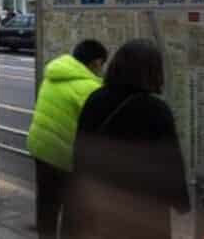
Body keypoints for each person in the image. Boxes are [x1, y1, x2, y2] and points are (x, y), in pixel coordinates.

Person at [65, 39, 190, 239]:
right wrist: (181, 201)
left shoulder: (96, 98)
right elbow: (170, 160)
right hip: (145, 203)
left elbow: (81, 148)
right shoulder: (156, 109)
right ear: (153, 71)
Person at [27, 39, 108, 239]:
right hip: (65, 155)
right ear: (96, 63)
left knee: (46, 202)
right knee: (73, 209)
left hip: (41, 147)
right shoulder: (89, 87)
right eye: (102, 64)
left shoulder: (54, 73)